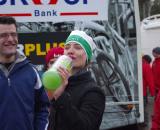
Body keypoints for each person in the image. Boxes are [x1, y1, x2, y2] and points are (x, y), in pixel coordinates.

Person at [48, 30, 105, 130]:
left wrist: (60, 96)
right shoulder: (59, 83)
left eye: (77, 47)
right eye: (67, 47)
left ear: (87, 57)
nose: (70, 51)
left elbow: (85, 127)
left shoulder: (94, 92)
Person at [0, 16, 49, 130]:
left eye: (13, 34)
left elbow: (42, 108)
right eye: (3, 35)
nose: (10, 39)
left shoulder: (31, 71)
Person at [142, 55, 155, 126]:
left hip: (134, 90)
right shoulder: (146, 66)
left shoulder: (136, 63)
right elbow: (150, 80)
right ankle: (144, 122)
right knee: (143, 107)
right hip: (142, 91)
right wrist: (153, 93)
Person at [151, 47, 160, 130]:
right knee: (156, 103)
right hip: (156, 87)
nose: (152, 53)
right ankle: (156, 116)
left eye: (153, 52)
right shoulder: (154, 62)